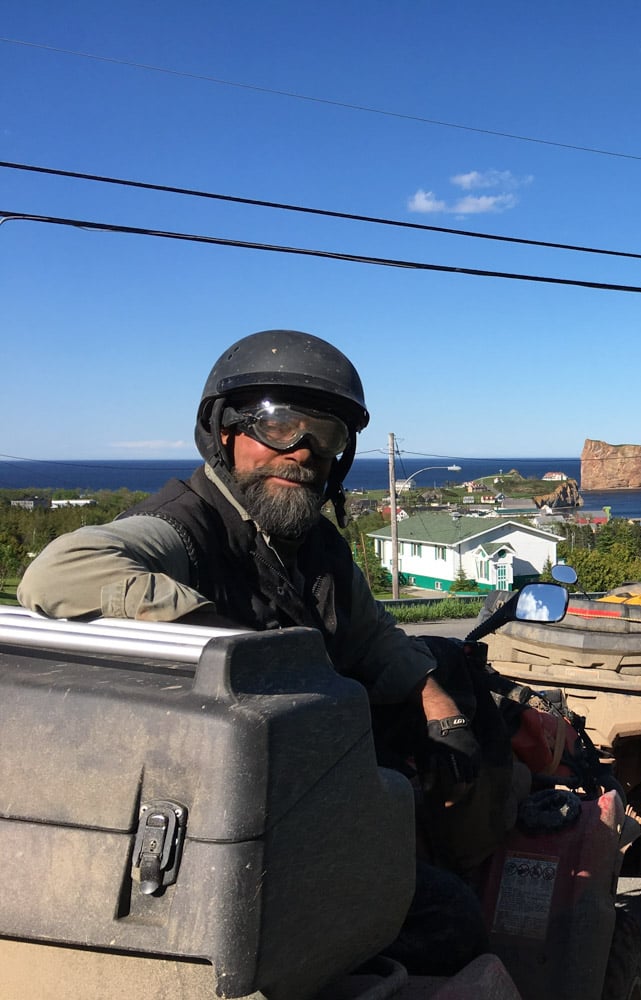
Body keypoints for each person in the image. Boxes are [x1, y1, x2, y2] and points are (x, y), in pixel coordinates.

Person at [18, 329, 489, 974]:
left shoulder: (315, 545)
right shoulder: (186, 525)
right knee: (454, 919)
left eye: (325, 437)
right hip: (206, 808)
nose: (300, 451)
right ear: (224, 431)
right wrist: (238, 642)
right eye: (277, 427)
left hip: (303, 782)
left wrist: (440, 708)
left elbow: (373, 636)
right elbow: (58, 574)